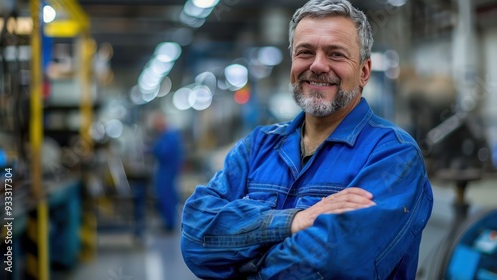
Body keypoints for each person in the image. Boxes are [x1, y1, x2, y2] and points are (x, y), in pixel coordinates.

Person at [180, 0, 433, 278]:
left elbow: (336, 264)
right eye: (305, 52)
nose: (318, 65)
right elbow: (195, 237)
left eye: (336, 54)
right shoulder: (257, 147)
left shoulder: (393, 155)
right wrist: (292, 222)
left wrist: (243, 260)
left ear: (363, 71)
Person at [151, 113, 184, 232]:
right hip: (166, 170)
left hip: (167, 170)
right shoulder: (167, 135)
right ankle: (168, 222)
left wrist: (153, 148)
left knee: (167, 196)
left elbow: (163, 152)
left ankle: (169, 224)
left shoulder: (169, 136)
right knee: (166, 195)